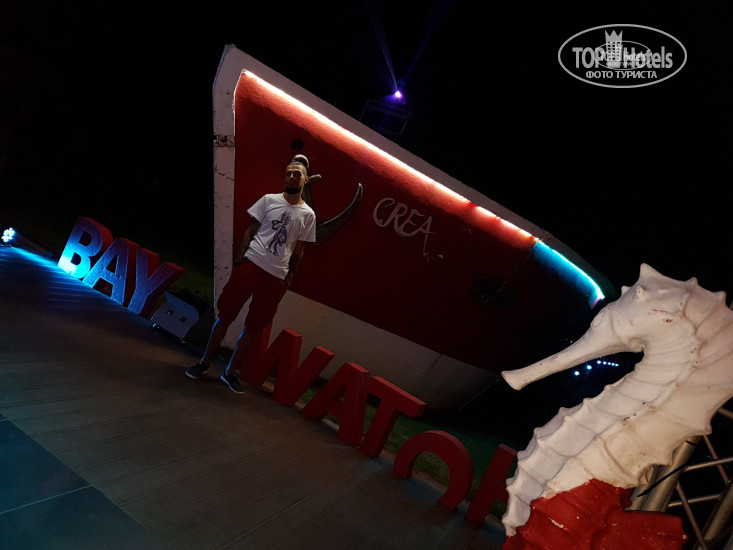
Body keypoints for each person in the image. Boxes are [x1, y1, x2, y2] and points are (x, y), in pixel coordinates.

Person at [185, 154, 317, 394]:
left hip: (276, 277)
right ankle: (204, 362)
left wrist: (288, 280)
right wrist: (239, 262)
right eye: (288, 173)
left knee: (254, 327)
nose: (291, 177)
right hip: (252, 264)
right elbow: (250, 231)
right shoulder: (269, 200)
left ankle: (229, 372)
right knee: (225, 315)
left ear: (305, 180)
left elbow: (299, 251)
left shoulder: (308, 215)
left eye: (297, 174)